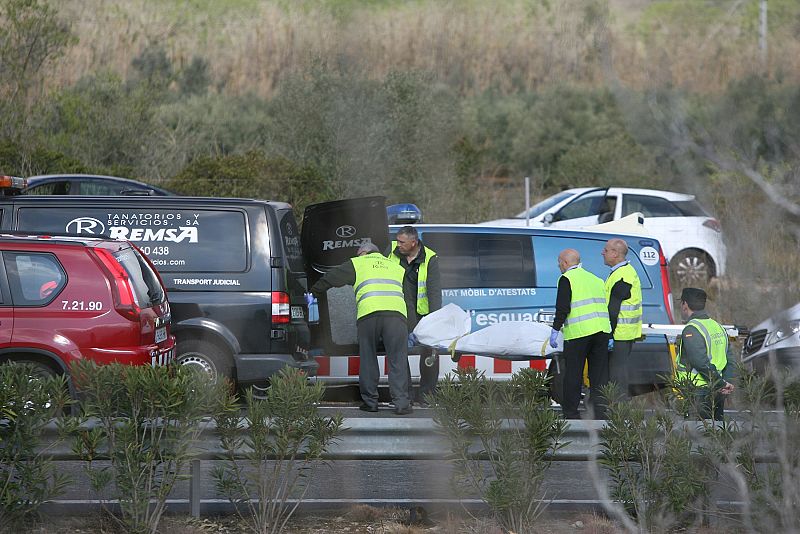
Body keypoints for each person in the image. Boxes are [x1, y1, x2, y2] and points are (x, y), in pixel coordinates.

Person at [311, 242, 413, 415]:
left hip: (369, 315)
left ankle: (370, 402)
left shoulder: (358, 263)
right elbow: (408, 299)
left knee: (368, 358)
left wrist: (313, 291)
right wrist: (409, 325)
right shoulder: (396, 267)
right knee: (398, 359)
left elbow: (331, 277)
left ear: (364, 252)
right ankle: (402, 403)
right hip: (396, 317)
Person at [549, 248, 612, 419]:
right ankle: (601, 412)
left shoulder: (566, 279)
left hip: (579, 333)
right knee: (598, 375)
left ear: (566, 263)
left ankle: (571, 413)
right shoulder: (596, 279)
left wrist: (555, 329)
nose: (558, 265)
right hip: (601, 332)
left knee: (573, 375)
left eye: (559, 262)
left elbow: (563, 308)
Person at [387, 225, 442, 406]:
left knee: (429, 355)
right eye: (398, 240)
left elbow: (434, 291)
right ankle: (407, 396)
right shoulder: (392, 253)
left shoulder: (430, 258)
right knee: (399, 355)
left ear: (414, 242)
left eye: (402, 242)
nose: (398, 244)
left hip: (422, 315)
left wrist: (434, 320)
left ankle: (427, 395)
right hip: (399, 313)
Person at [675, 287, 735, 421]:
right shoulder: (718, 327)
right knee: (716, 431)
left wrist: (720, 384)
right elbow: (730, 359)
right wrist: (727, 383)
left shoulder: (692, 329)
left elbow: (700, 362)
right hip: (718, 390)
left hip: (698, 391)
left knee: (698, 435)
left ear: (685, 305)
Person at [601, 238, 642, 400]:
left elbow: (613, 309)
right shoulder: (623, 272)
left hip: (619, 334)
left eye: (606, 250)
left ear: (615, 253)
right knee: (618, 374)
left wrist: (609, 334)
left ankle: (619, 413)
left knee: (617, 375)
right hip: (623, 333)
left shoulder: (623, 275)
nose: (602, 253)